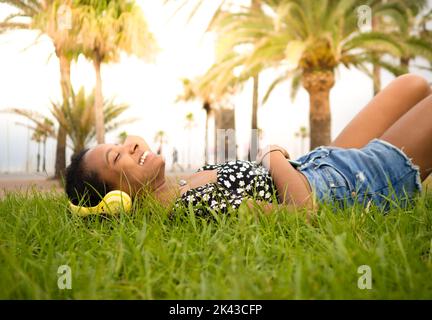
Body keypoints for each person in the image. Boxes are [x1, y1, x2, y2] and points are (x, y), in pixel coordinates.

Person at [65, 74, 432, 216]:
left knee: (412, 85)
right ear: (118, 200)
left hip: (315, 164)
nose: (130, 143)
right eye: (117, 156)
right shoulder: (197, 208)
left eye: (119, 142)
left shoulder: (180, 188)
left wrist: (284, 162)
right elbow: (305, 212)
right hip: (343, 187)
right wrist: (272, 155)